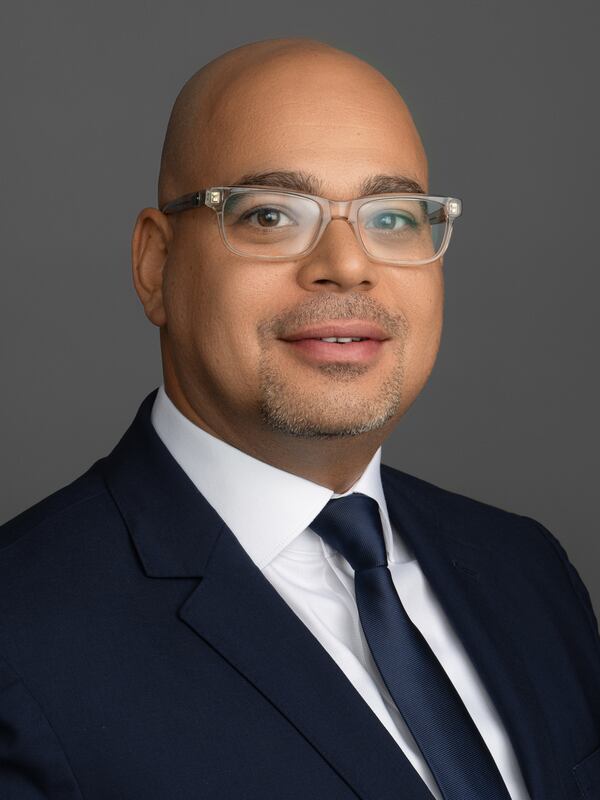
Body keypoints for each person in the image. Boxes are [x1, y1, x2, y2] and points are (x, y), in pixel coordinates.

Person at [0, 36, 598, 800]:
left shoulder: (526, 569)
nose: (347, 264)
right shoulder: (21, 637)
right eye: (272, 214)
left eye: (392, 218)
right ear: (156, 267)